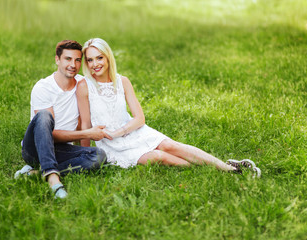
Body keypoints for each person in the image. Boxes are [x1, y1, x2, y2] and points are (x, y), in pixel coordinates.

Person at [76, 38, 261, 177]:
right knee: (158, 156)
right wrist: (86, 156)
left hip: (131, 131)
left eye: (99, 58)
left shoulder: (122, 81)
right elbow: (85, 125)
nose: (95, 64)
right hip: (110, 144)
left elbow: (139, 118)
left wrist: (119, 132)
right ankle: (207, 169)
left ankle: (228, 168)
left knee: (170, 145)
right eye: (90, 60)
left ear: (108, 57)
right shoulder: (85, 86)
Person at [14, 40, 111, 199]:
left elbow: (83, 123)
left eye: (77, 60)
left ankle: (36, 173)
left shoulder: (82, 84)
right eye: (68, 59)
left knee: (99, 156)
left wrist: (86, 140)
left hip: (62, 149)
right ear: (57, 60)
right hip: (36, 148)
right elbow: (48, 134)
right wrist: (87, 133)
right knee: (44, 116)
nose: (73, 64)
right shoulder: (43, 87)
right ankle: (53, 180)